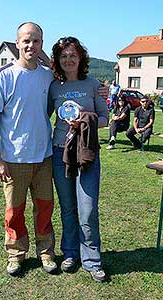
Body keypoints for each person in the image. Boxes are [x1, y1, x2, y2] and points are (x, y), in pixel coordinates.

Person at [0, 22, 57, 276]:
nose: (31, 45)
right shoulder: (3, 75)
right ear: (17, 43)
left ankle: (46, 252)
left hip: (44, 157)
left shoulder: (48, 75)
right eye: (26, 40)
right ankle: (16, 254)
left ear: (42, 44)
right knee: (14, 212)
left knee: (45, 208)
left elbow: (66, 90)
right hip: (14, 159)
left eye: (36, 41)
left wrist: (99, 89)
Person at [48, 37, 109, 282]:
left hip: (87, 154)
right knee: (68, 208)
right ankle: (71, 253)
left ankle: (92, 260)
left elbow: (105, 118)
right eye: (63, 56)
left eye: (72, 55)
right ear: (58, 61)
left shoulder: (94, 85)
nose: (68, 60)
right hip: (60, 153)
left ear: (80, 57)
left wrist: (87, 121)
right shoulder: (54, 87)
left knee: (88, 209)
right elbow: (44, 116)